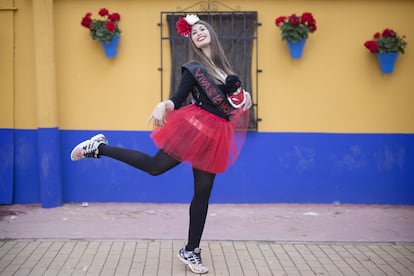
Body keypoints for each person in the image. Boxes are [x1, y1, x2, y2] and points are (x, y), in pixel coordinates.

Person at [70, 14, 251, 274]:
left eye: (202, 29)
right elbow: (177, 99)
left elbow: (233, 105)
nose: (198, 32)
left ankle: (191, 250)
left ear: (211, 33)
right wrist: (161, 105)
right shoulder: (193, 68)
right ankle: (98, 147)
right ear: (192, 40)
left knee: (203, 192)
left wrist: (248, 97)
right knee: (155, 167)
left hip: (215, 136)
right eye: (194, 32)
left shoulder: (228, 72)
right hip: (194, 128)